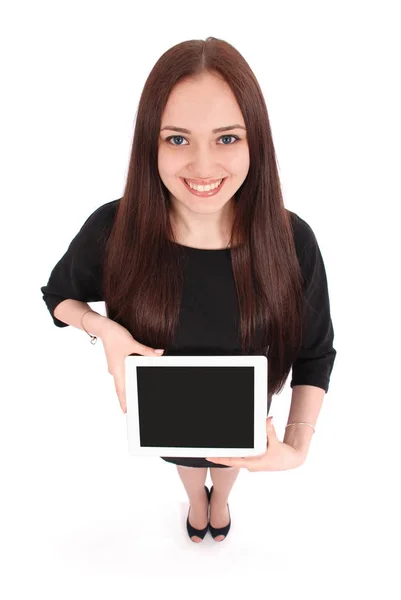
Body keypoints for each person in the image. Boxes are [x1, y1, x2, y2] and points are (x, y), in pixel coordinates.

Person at [40, 37, 337, 543]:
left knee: (228, 463)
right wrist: (101, 328)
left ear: (255, 142)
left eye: (227, 139)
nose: (203, 168)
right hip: (166, 419)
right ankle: (195, 498)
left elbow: (315, 352)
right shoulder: (115, 228)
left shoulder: (292, 241)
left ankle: (219, 498)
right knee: (184, 461)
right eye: (178, 139)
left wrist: (297, 444)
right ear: (149, 143)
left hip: (240, 420)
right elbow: (58, 296)